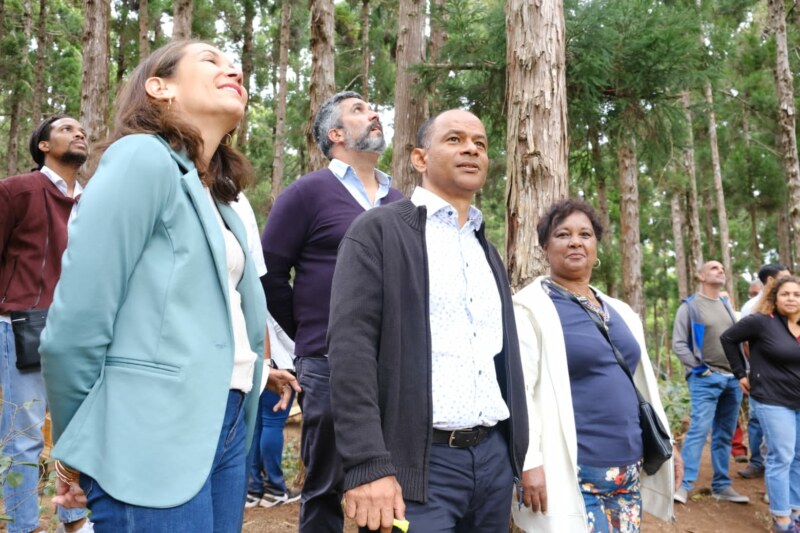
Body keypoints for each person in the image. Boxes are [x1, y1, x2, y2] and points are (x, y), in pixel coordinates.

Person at [38, 40, 297, 532]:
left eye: (234, 64)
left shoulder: (220, 198)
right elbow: (76, 325)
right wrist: (78, 446)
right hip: (149, 433)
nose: (233, 69)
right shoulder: (141, 158)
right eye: (210, 60)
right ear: (159, 88)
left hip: (223, 425)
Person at [327, 109, 528, 532]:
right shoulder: (377, 232)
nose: (471, 148)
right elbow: (351, 353)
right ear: (420, 159)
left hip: (491, 463)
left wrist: (516, 454)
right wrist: (367, 464)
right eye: (454, 139)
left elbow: (501, 360)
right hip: (416, 467)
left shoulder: (486, 250)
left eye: (480, 143)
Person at [260, 90, 403, 532]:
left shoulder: (400, 202)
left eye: (374, 110)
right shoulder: (307, 192)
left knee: (391, 487)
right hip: (326, 361)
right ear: (335, 134)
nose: (374, 115)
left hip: (395, 366)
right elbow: (269, 274)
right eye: (359, 111)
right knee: (325, 488)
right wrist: (309, 330)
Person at [512, 198, 678, 533]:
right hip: (573, 472)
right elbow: (521, 392)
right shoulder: (530, 309)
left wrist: (669, 445)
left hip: (628, 469)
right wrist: (529, 463)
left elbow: (641, 384)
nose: (575, 241)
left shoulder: (621, 311)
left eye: (585, 234)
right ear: (545, 247)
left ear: (595, 245)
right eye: (563, 234)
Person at [0, 116, 92, 533]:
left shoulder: (96, 202)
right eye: (67, 128)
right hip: (23, 327)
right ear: (42, 146)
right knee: (24, 436)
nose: (79, 133)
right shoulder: (16, 191)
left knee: (77, 433)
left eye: (82, 130)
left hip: (82, 335)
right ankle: (23, 526)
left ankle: (73, 520)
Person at [721, 275, 800, 532]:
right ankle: (781, 519)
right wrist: (740, 374)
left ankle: (796, 511)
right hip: (772, 400)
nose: (791, 298)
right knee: (782, 457)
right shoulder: (761, 322)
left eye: (796, 294)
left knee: (798, 458)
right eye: (785, 294)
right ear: (774, 298)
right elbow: (728, 338)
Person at [672, 260, 749, 504]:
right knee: (698, 430)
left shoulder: (726, 305)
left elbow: (737, 341)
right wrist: (699, 369)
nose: (720, 271)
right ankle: (682, 485)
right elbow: (679, 344)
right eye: (714, 268)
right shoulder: (690, 306)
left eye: (723, 269)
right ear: (701, 276)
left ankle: (721, 486)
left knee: (725, 434)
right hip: (706, 378)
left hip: (732, 379)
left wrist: (742, 372)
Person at [739, 263, 790, 480]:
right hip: (763, 378)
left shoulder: (790, 304)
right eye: (784, 278)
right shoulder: (752, 307)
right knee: (758, 420)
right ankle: (759, 462)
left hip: (789, 380)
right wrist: (756, 370)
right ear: (771, 281)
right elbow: (744, 342)